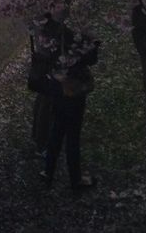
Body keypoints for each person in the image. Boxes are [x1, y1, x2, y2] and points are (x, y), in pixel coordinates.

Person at [34, 15, 99, 193]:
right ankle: (75, 179)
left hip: (56, 87)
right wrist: (91, 41)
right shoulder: (71, 34)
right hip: (73, 89)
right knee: (72, 134)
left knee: (57, 129)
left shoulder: (47, 33)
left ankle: (48, 172)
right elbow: (90, 59)